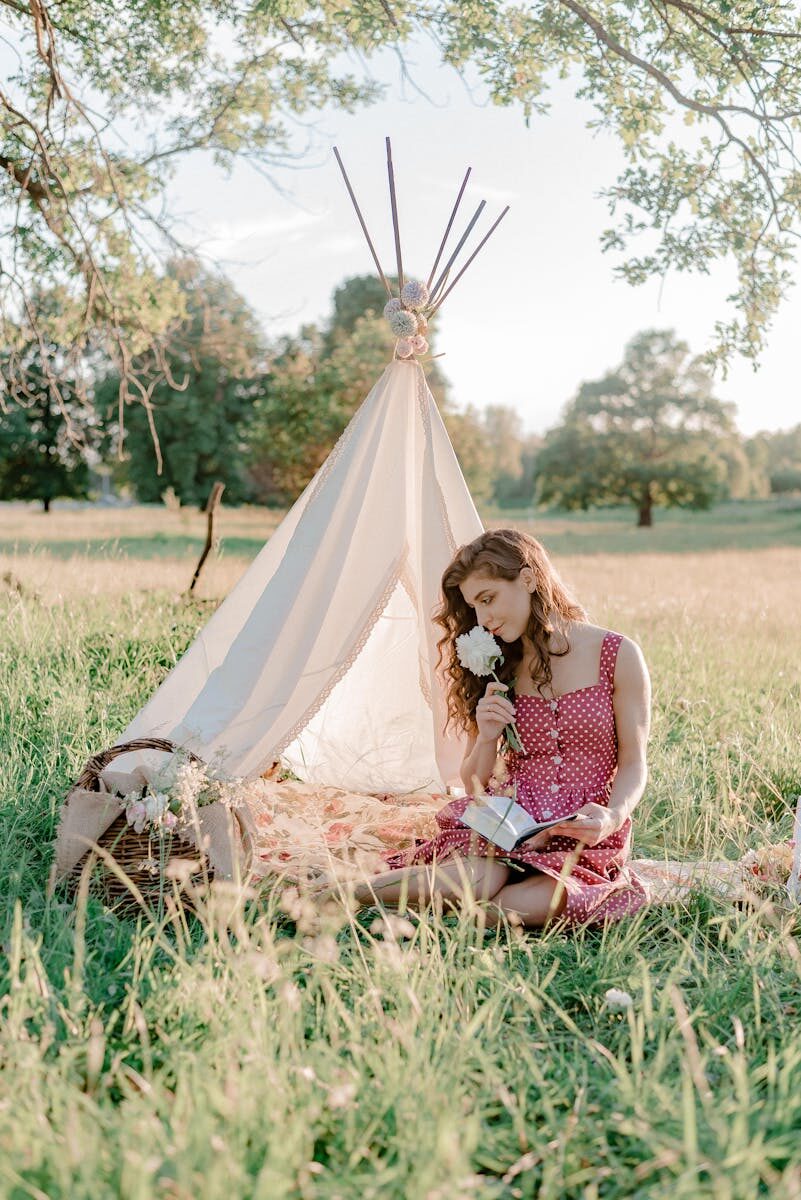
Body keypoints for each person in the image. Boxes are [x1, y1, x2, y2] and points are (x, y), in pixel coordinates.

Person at [351, 528, 651, 929]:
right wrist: (488, 735)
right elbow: (474, 782)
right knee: (480, 880)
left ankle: (439, 917)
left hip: (584, 834)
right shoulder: (497, 668)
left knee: (539, 902)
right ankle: (345, 892)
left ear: (527, 579)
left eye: (488, 599)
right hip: (509, 825)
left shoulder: (617, 654)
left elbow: (634, 763)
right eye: (474, 606)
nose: (483, 619)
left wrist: (613, 816)